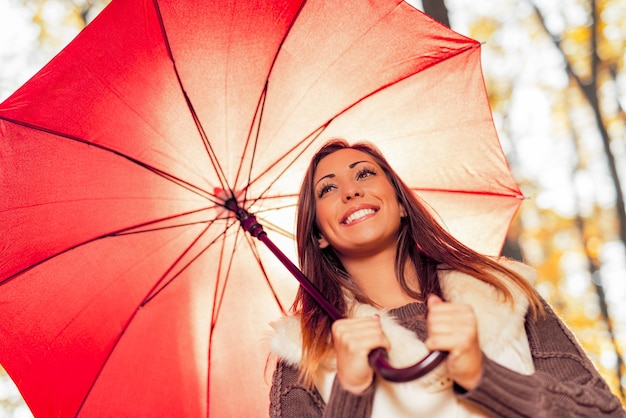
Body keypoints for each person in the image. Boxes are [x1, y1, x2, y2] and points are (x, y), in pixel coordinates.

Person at [268, 139, 626, 417]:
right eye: (327, 189)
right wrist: (351, 393)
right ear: (318, 235)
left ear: (402, 202)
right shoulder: (303, 351)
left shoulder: (504, 293)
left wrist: (482, 376)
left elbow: (603, 412)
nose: (350, 191)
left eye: (364, 174)